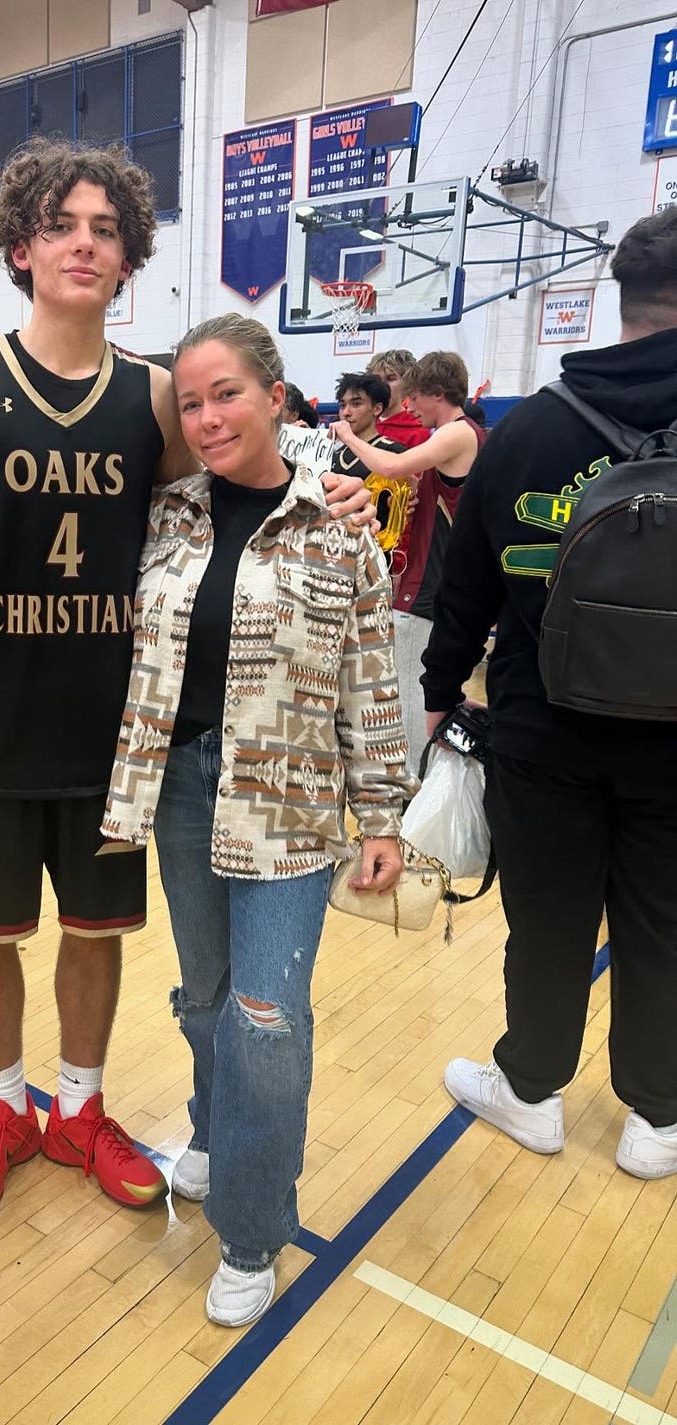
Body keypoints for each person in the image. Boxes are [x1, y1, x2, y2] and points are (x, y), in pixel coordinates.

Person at [0, 137, 375, 1227]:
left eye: (105, 229)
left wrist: (330, 485)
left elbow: (236, 493)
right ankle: (4, 1110)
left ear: (129, 255)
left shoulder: (155, 400)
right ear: (20, 247)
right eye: (60, 225)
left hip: (118, 740)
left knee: (94, 934)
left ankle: (81, 1110)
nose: (84, 245)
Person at [100, 315, 413, 1327]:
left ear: (277, 397)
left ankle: (250, 1228)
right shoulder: (164, 515)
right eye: (190, 403)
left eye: (227, 394)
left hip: (292, 804)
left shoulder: (340, 524)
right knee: (204, 999)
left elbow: (372, 678)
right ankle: (210, 1127)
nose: (207, 418)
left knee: (265, 1019)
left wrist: (382, 815)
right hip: (182, 790)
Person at [422, 206, 677, 1181]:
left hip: (543, 727)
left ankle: (530, 1093)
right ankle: (659, 1118)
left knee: (549, 920)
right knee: (665, 922)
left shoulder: (527, 429)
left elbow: (462, 592)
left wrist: (438, 696)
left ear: (622, 296)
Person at [329, 352, 485, 771]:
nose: (409, 406)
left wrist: (347, 436)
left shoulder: (458, 433)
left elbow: (391, 465)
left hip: (432, 585)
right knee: (423, 692)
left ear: (438, 393)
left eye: (414, 396)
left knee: (411, 699)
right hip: (437, 581)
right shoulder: (458, 437)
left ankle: (415, 788)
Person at [332, 371, 408, 556]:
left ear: (377, 409)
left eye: (356, 404)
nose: (346, 412)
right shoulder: (332, 454)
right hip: (333, 549)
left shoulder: (394, 452)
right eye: (342, 405)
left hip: (377, 553)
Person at [366, 349, 430, 450]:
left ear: (407, 383)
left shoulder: (418, 432)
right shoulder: (362, 424)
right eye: (377, 379)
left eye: (391, 378)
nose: (382, 385)